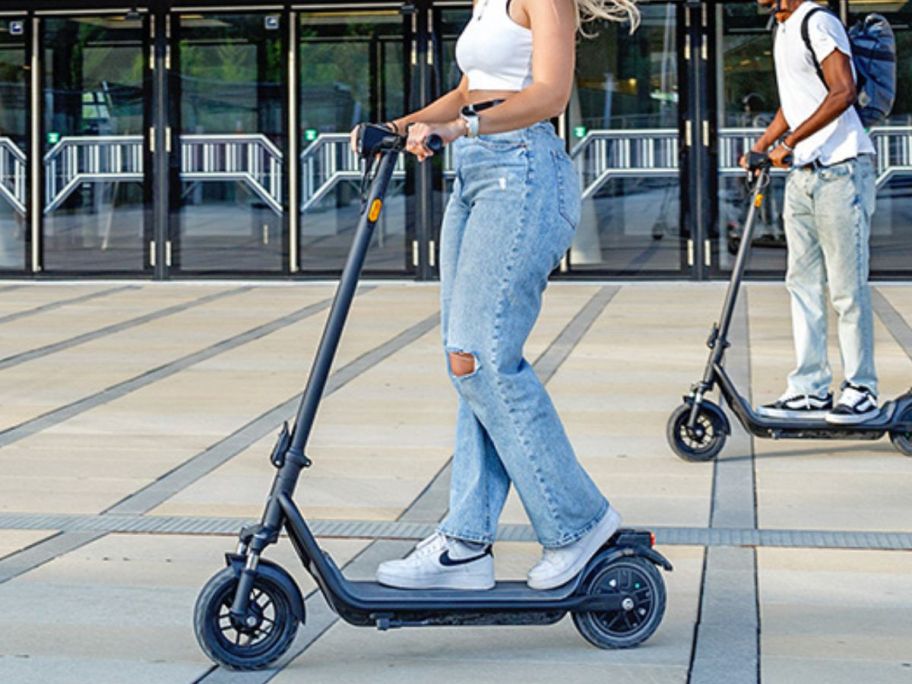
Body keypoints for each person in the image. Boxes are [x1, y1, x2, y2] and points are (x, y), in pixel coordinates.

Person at [352, 0, 639, 591]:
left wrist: (464, 128)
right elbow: (467, 90)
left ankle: (580, 522)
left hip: (524, 172)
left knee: (482, 356)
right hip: (477, 176)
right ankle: (465, 545)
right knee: (467, 362)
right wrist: (401, 128)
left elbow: (550, 95)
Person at [747, 0, 879, 425]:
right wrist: (763, 145)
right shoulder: (782, 28)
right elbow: (796, 102)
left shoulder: (817, 21)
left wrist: (789, 143)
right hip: (803, 176)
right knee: (801, 285)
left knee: (845, 288)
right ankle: (809, 388)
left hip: (841, 170)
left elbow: (843, 90)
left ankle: (861, 388)